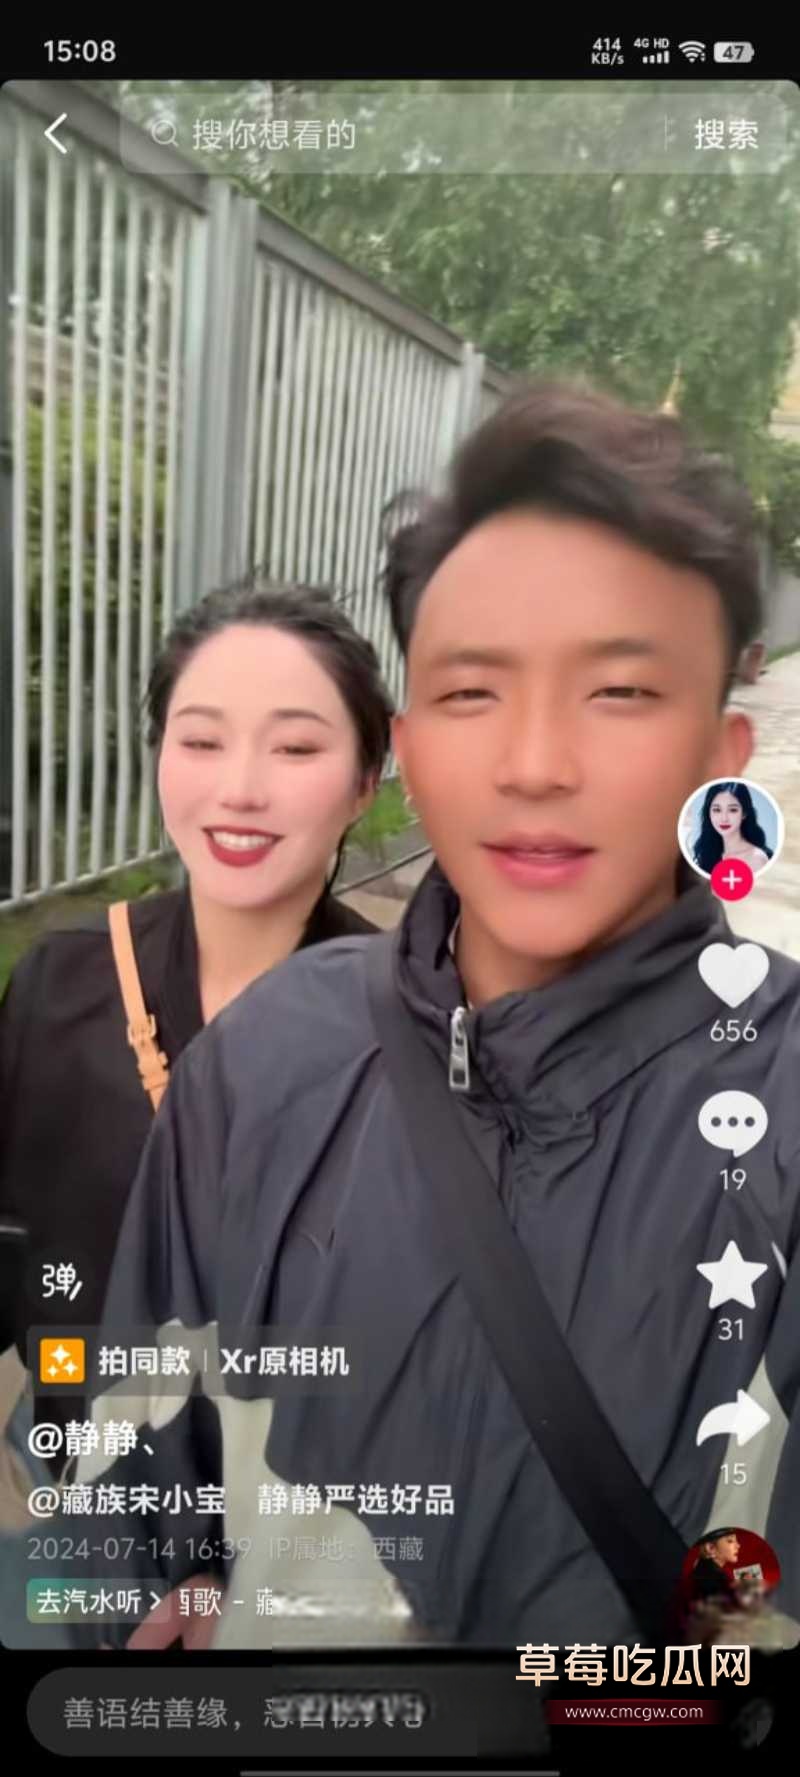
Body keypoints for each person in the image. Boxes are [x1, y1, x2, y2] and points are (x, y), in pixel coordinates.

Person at [78, 379, 800, 1653]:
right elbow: (131, 1458)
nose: (533, 765)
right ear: (407, 746)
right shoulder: (263, 1061)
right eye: (472, 693)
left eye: (619, 693)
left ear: (721, 758)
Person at [0, 578, 391, 1641]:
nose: (240, 789)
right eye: (202, 740)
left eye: (296, 747)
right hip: (77, 1504)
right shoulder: (59, 987)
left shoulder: (408, 1032)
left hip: (296, 1554)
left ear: (367, 779)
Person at [692, 781, 773, 876]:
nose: (724, 818)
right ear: (708, 813)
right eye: (717, 810)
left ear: (744, 813)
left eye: (733, 810)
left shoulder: (756, 859)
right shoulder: (707, 853)